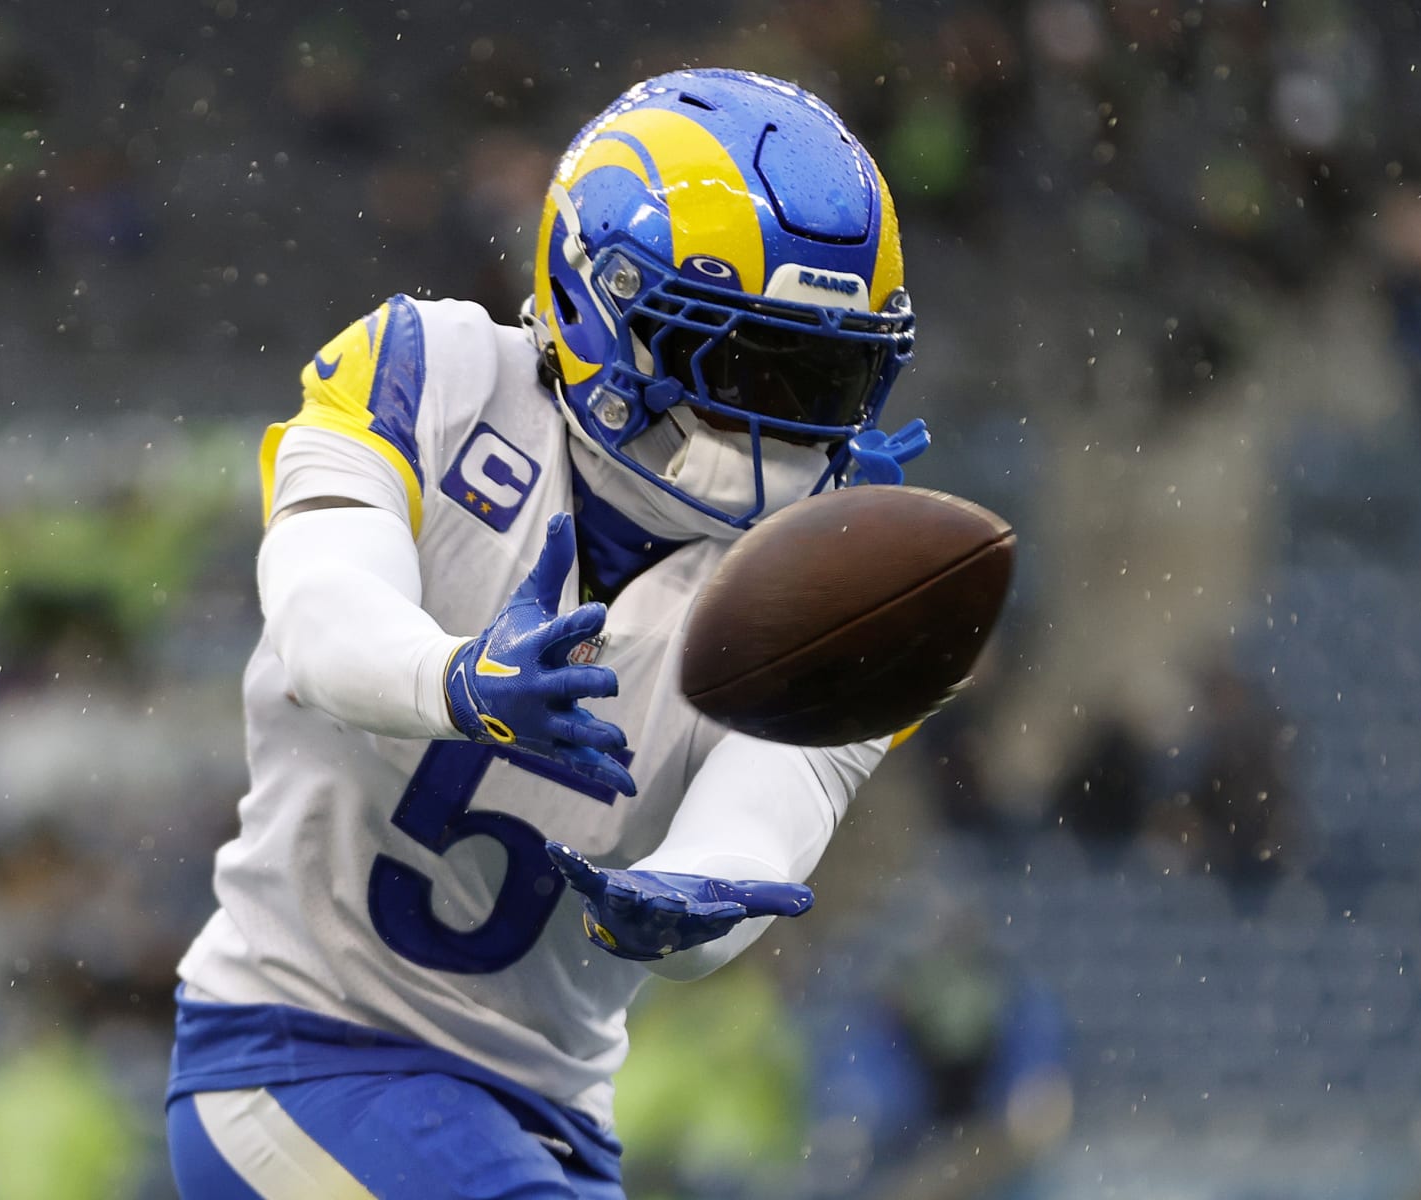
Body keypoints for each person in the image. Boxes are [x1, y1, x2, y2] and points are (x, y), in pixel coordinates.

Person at [166, 68, 930, 1199]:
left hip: (550, 1113)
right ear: (598, 304)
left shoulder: (853, 579)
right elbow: (319, 615)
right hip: (306, 1050)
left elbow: (756, 833)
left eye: (826, 378)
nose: (781, 418)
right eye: (741, 361)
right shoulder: (430, 373)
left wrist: (689, 900)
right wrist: (454, 681)